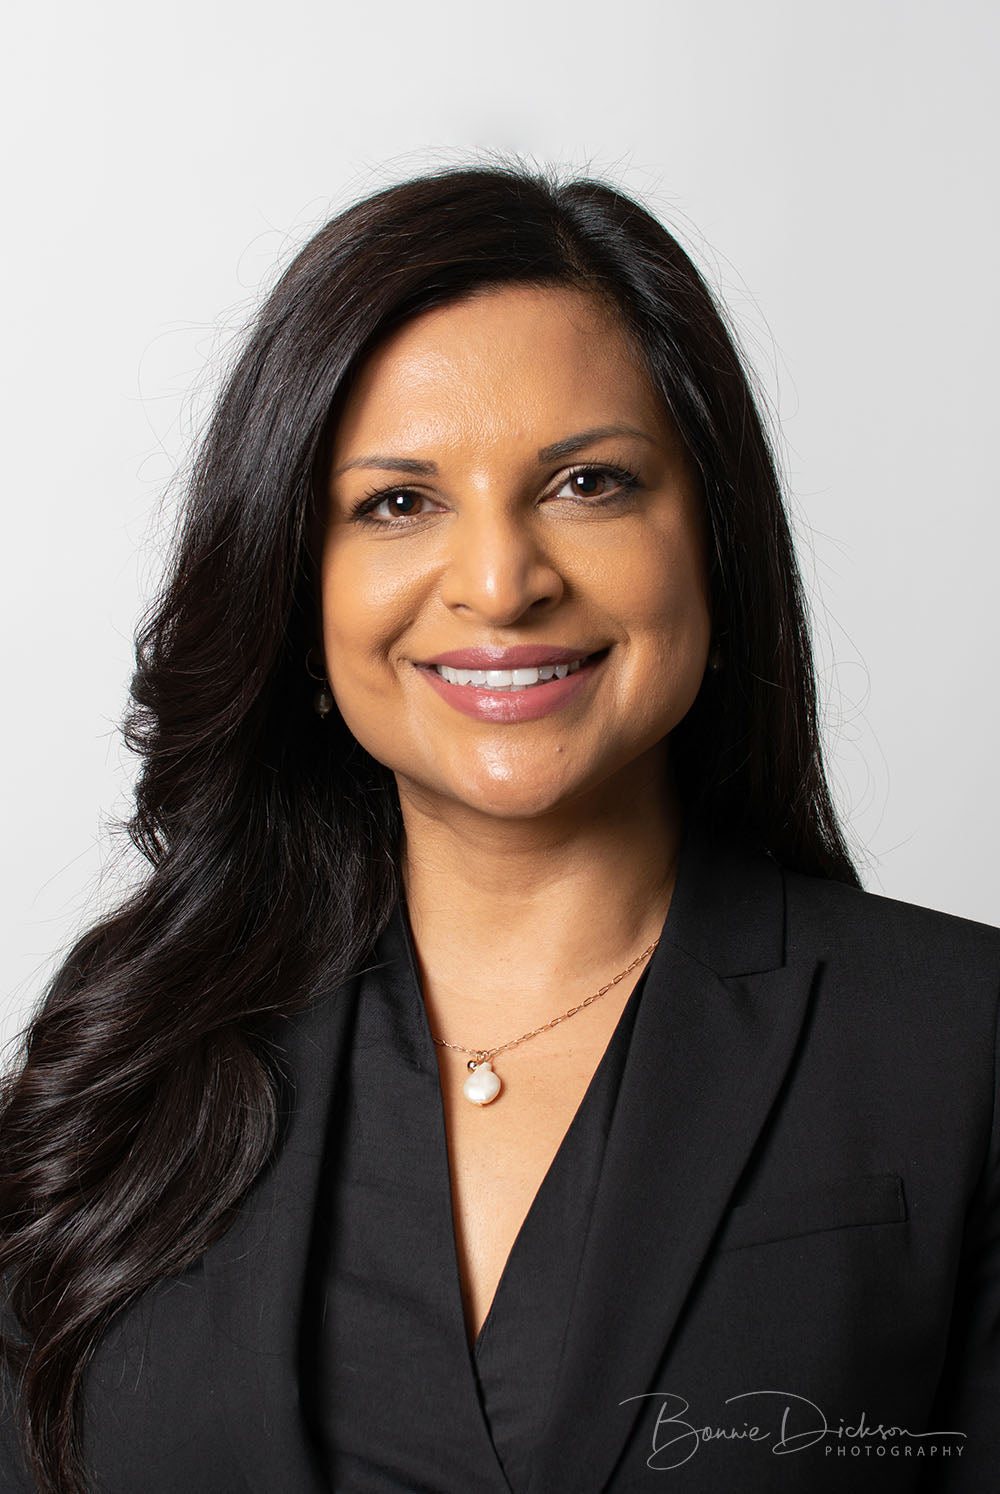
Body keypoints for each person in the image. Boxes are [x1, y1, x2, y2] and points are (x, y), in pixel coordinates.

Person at [1, 162, 997, 1494]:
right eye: (398, 502)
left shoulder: (961, 1042)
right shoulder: (126, 1069)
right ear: (299, 584)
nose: (499, 581)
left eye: (587, 481)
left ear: (710, 537)